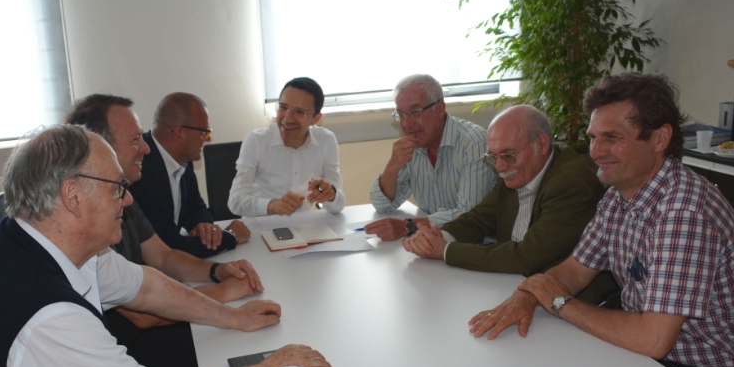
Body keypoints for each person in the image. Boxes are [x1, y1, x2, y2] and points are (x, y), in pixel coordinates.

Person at [0, 125, 332, 367]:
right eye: (116, 188)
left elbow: (146, 288)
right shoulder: (45, 315)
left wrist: (234, 318)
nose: (126, 201)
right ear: (72, 197)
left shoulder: (47, 240)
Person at [470, 74, 734, 367]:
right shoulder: (619, 193)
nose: (595, 151)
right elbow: (574, 271)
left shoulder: (684, 212)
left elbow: (653, 339)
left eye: (612, 137)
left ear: (660, 138)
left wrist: (559, 303)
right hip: (656, 357)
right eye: (594, 137)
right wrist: (527, 295)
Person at [66, 94, 263, 367]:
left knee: (236, 342)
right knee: (233, 356)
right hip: (125, 349)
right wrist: (224, 295)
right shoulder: (84, 224)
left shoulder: (123, 196)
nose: (146, 147)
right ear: (99, 147)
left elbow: (163, 256)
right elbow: (143, 314)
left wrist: (216, 271)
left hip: (144, 331)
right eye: (135, 140)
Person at [402, 105, 615, 304]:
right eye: (493, 157)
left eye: (508, 155)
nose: (499, 166)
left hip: (566, 303)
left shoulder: (570, 184)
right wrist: (439, 237)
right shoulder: (515, 169)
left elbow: (526, 257)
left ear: (542, 144)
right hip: (511, 286)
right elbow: (479, 219)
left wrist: (445, 250)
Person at [365, 74, 495, 241]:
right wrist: (392, 166)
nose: (406, 124)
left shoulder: (473, 143)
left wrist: (407, 226)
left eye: (415, 112)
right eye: (401, 115)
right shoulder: (414, 145)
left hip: (476, 245)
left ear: (440, 109)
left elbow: (468, 216)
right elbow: (382, 204)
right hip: (433, 241)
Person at [128, 92, 250, 259]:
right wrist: (230, 237)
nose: (207, 139)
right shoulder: (143, 170)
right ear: (179, 135)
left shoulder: (182, 158)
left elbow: (195, 206)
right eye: (205, 132)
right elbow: (169, 247)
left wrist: (203, 225)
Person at [228, 77, 345, 217]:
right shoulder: (256, 141)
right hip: (261, 225)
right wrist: (273, 205)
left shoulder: (326, 140)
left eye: (300, 112)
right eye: (283, 107)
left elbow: (338, 206)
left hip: (305, 225)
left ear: (316, 119)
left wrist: (330, 195)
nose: (288, 118)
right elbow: (235, 202)